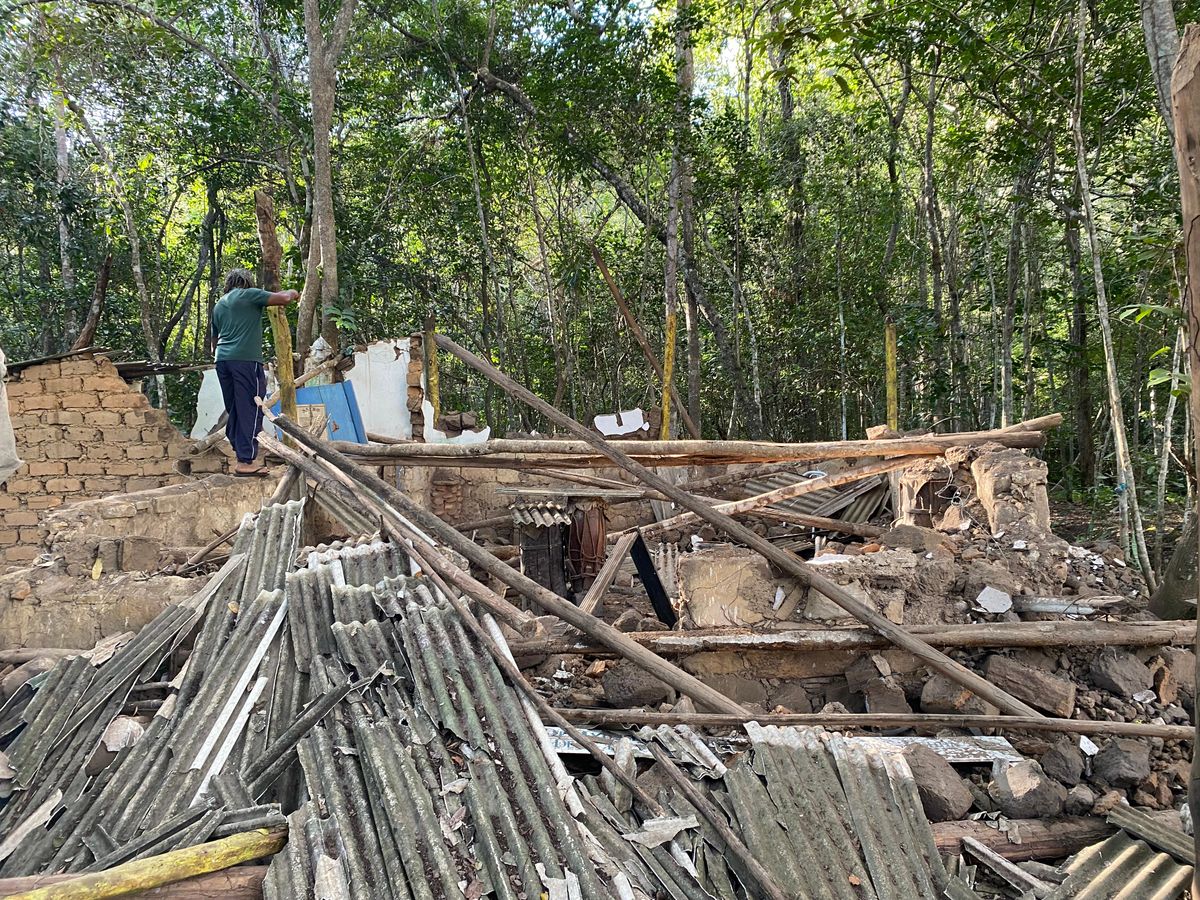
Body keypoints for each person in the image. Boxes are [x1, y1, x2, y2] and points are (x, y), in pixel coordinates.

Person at [211, 268, 298, 476]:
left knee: (235, 409)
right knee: (251, 407)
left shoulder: (219, 304)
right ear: (247, 282)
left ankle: (239, 450)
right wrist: (295, 292)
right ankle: (245, 461)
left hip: (222, 360)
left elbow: (213, 342)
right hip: (246, 360)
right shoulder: (249, 294)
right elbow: (285, 298)